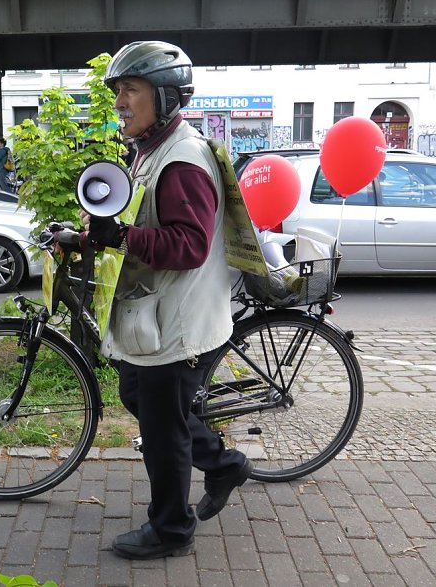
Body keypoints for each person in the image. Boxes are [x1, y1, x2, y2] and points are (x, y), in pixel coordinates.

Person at [80, 41, 252, 560]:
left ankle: (172, 530)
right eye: (118, 91)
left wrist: (121, 237)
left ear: (167, 97)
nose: (120, 102)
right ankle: (223, 465)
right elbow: (140, 221)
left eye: (130, 90)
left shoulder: (182, 161)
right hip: (154, 316)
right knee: (139, 396)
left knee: (162, 431)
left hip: (178, 324)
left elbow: (189, 246)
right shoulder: (152, 151)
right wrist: (90, 235)